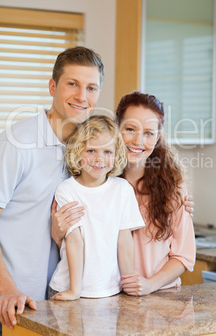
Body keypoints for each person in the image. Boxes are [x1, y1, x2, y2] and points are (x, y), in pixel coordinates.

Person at [0, 47, 104, 330]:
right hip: (12, 305)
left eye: (91, 87)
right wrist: (6, 290)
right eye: (72, 84)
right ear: (52, 86)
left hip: (57, 306)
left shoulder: (86, 150)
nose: (82, 96)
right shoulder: (17, 143)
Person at [49, 115, 144, 300]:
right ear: (78, 152)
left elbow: (124, 241)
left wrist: (129, 283)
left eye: (107, 152)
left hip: (111, 291)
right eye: (91, 151)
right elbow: (74, 242)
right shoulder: (66, 190)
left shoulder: (122, 189)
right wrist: (74, 291)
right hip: (68, 287)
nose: (99, 159)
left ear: (116, 155)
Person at [115, 92, 196, 296]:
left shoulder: (173, 187)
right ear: (116, 129)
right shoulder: (100, 182)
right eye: (130, 129)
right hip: (109, 297)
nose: (138, 141)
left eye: (149, 133)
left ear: (158, 136)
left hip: (161, 298)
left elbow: (184, 255)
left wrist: (150, 284)